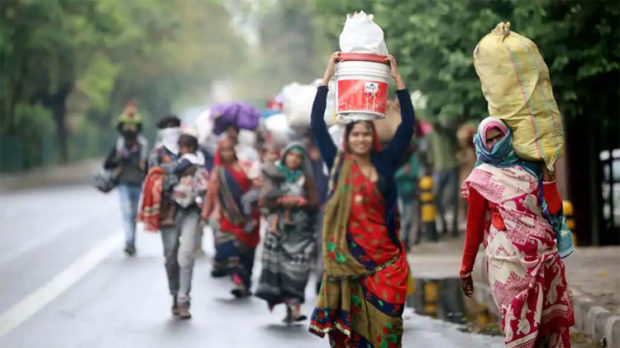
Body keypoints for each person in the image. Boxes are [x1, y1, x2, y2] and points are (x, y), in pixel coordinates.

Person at [309, 52, 415, 347]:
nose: (361, 139)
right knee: (350, 332)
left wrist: (398, 81)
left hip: (387, 260)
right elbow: (316, 124)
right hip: (349, 261)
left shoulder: (385, 162)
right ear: (347, 138)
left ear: (373, 137)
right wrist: (327, 76)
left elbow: (407, 128)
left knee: (390, 326)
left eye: (365, 135)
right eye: (355, 135)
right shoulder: (338, 164)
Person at [459, 117, 574, 347]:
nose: (494, 144)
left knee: (545, 328)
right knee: (516, 323)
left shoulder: (530, 169)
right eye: (489, 140)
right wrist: (465, 269)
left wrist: (549, 180)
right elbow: (473, 226)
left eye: (498, 137)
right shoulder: (482, 178)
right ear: (481, 144)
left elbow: (552, 211)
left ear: (509, 136)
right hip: (504, 261)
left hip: (541, 257)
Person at [255, 142, 319, 323]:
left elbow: (315, 203)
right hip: (279, 231)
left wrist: (300, 201)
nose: (294, 159)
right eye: (291, 155)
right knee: (281, 269)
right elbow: (263, 202)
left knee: (299, 269)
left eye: (299, 157)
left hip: (301, 232)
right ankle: (288, 305)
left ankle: (296, 306)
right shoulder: (274, 176)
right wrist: (282, 202)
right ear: (284, 156)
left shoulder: (306, 179)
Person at [201, 138, 260, 298]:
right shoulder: (218, 172)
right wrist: (205, 214)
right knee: (230, 250)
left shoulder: (245, 167)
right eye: (223, 150)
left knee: (247, 250)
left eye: (229, 149)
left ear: (234, 150)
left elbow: (256, 185)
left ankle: (245, 282)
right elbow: (211, 194)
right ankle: (237, 281)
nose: (227, 153)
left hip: (248, 215)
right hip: (227, 216)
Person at [104, 108, 148, 255]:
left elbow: (148, 166)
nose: (130, 129)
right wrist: (118, 161)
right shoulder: (119, 145)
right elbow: (107, 164)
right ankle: (129, 241)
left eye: (133, 126)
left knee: (134, 214)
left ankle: (132, 241)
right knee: (127, 212)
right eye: (127, 126)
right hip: (123, 183)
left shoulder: (143, 145)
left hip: (137, 183)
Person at [428, 117, 459, 237]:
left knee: (453, 198)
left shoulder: (449, 134)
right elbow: (429, 152)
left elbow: (456, 146)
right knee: (435, 197)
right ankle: (444, 223)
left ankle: (454, 227)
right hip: (438, 169)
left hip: (451, 167)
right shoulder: (431, 136)